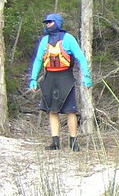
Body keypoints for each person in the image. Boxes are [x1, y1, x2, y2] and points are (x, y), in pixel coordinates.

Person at [28, 13, 92, 151]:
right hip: (50, 77)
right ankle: (55, 141)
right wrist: (33, 79)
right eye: (46, 22)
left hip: (65, 78)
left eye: (50, 22)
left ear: (57, 22)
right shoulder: (45, 40)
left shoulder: (68, 39)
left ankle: (73, 141)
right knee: (52, 110)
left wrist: (86, 77)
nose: (47, 24)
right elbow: (39, 59)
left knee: (70, 111)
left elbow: (80, 58)